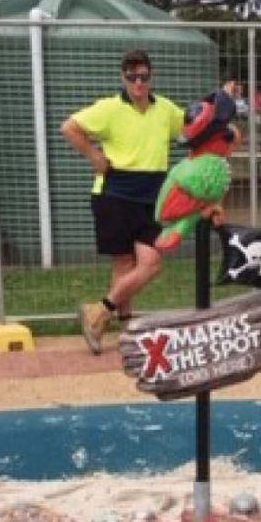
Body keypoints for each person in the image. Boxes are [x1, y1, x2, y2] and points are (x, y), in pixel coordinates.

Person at [62, 50, 185, 353]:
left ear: (151, 76)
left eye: (143, 76)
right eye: (132, 77)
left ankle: (98, 311)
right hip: (115, 194)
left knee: (151, 263)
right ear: (123, 78)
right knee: (123, 262)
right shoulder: (109, 108)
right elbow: (70, 127)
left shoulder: (166, 109)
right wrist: (94, 156)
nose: (138, 83)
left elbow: (190, 129)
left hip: (151, 197)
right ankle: (126, 327)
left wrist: (221, 109)